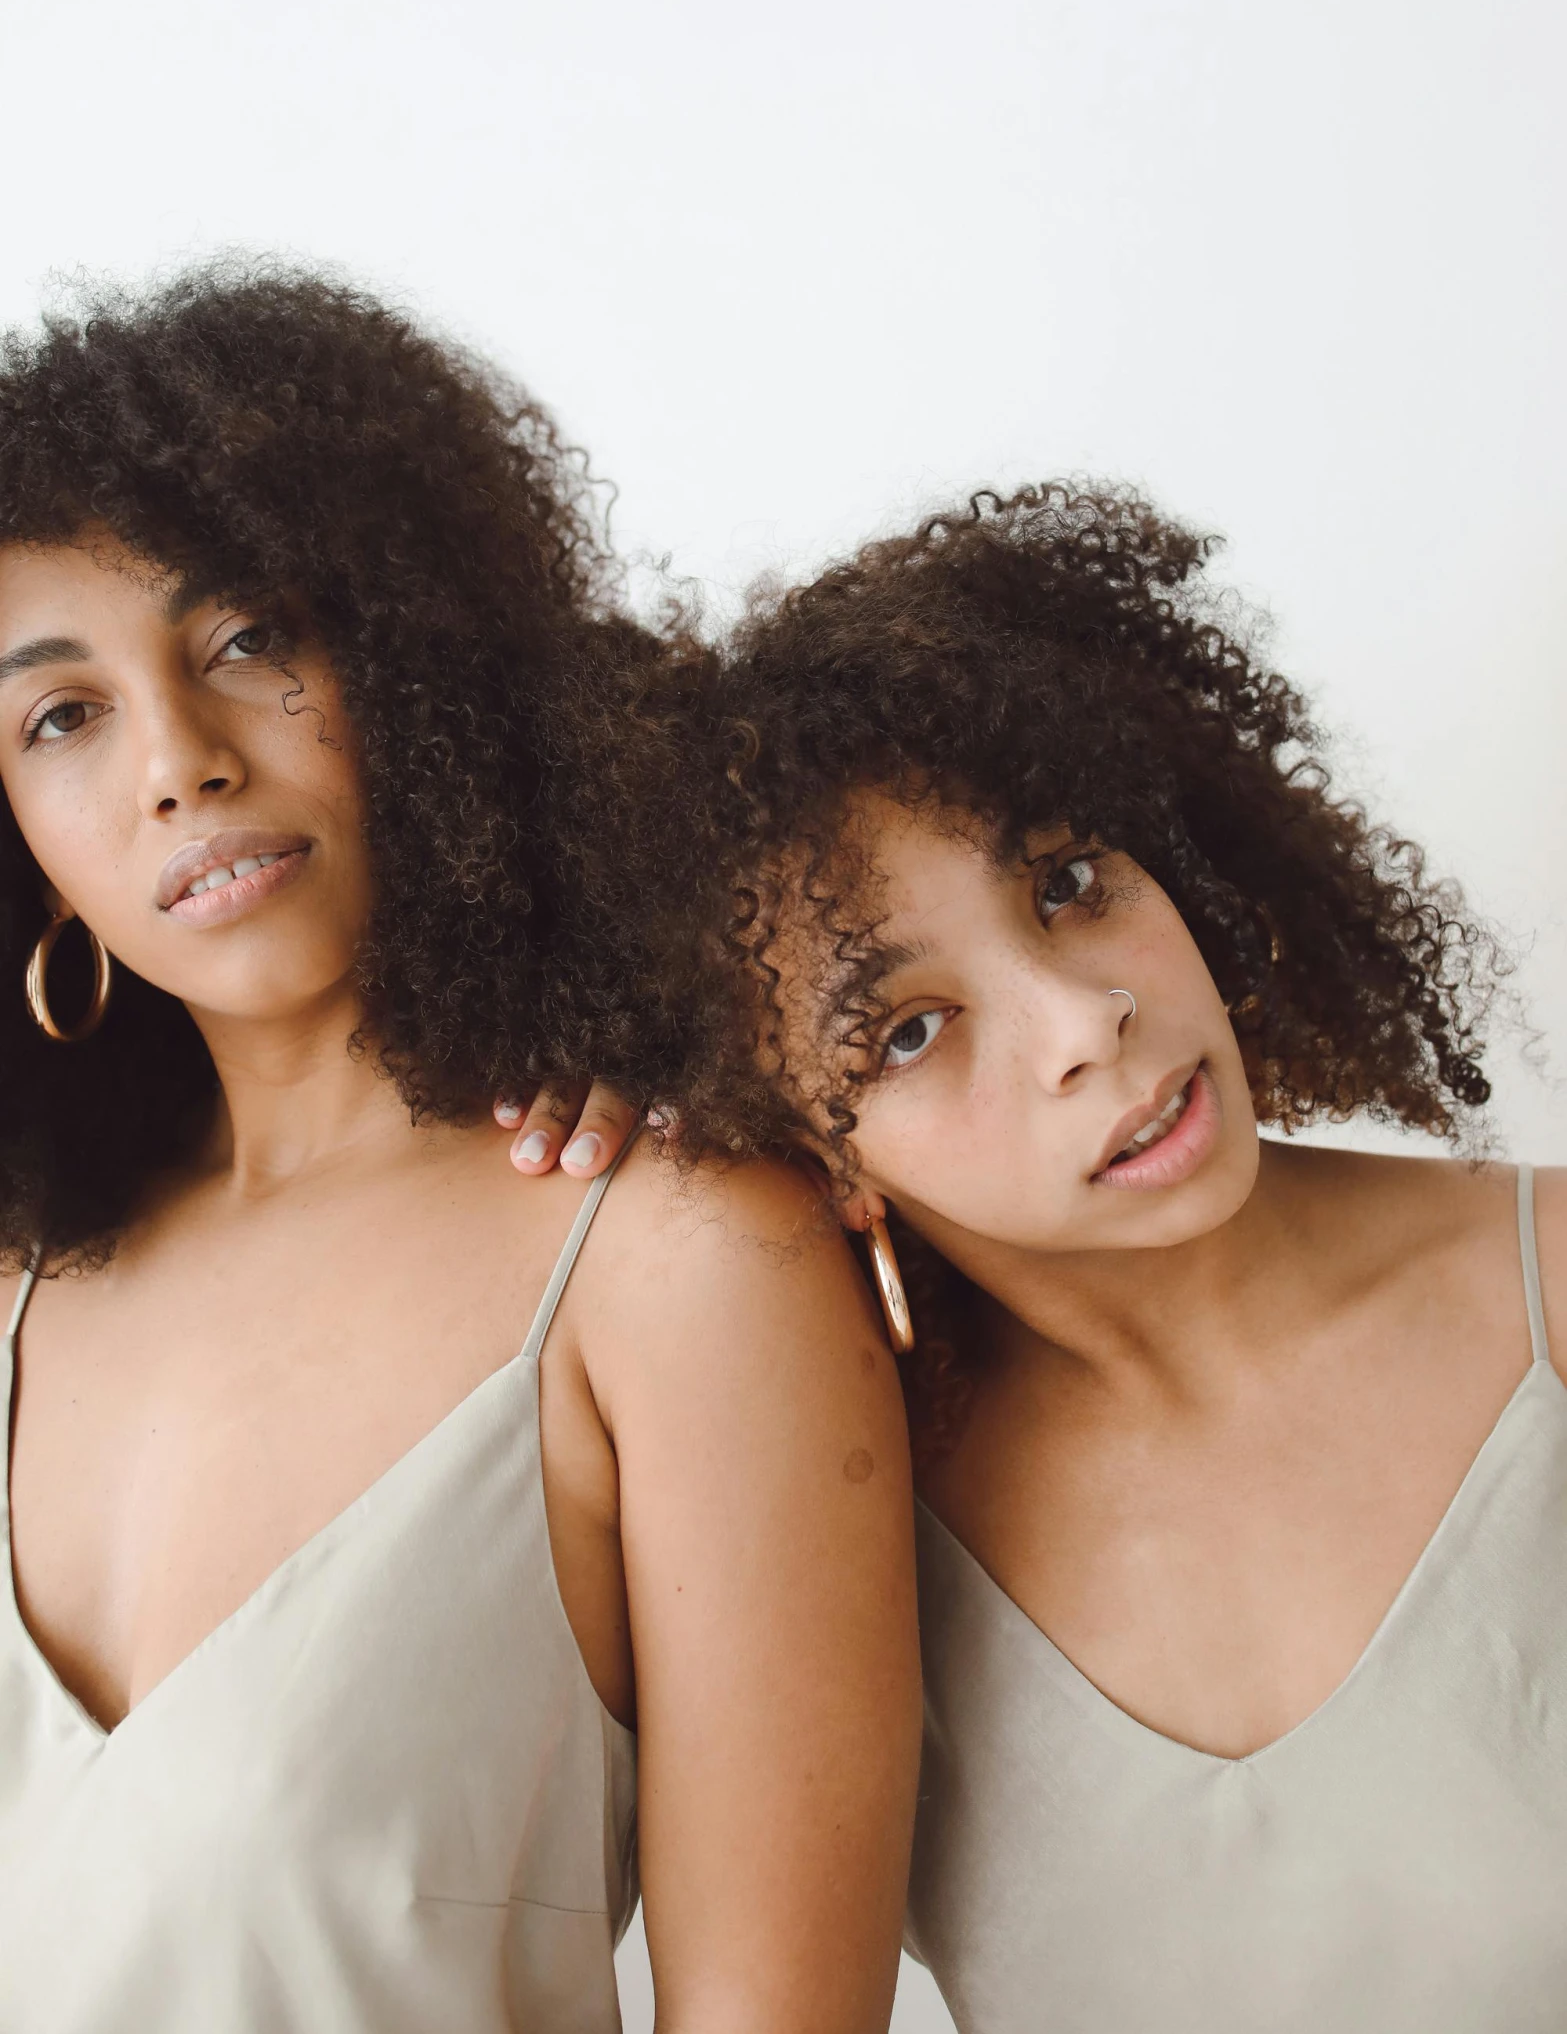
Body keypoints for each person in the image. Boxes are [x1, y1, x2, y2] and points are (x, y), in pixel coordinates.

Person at [0, 265, 919, 2034]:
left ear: (411, 661)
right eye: (62, 715)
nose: (178, 760)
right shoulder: (27, 1283)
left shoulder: (671, 1253)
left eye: (249, 638)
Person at [574, 483, 1565, 2032]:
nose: (1079, 1021)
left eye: (1066, 883)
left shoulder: (1546, 1296)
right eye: (907, 1029)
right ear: (804, 1150)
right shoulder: (831, 1534)